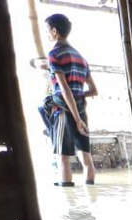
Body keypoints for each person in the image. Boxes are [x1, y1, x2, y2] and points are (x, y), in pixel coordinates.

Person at [42, 13, 98, 186]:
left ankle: (69, 207)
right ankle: (90, 194)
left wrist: (75, 117)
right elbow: (94, 90)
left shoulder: (54, 54)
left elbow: (65, 89)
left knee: (62, 158)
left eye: (47, 31)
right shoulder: (81, 58)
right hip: (80, 109)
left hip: (64, 111)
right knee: (86, 158)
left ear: (55, 31)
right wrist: (79, 102)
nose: (46, 34)